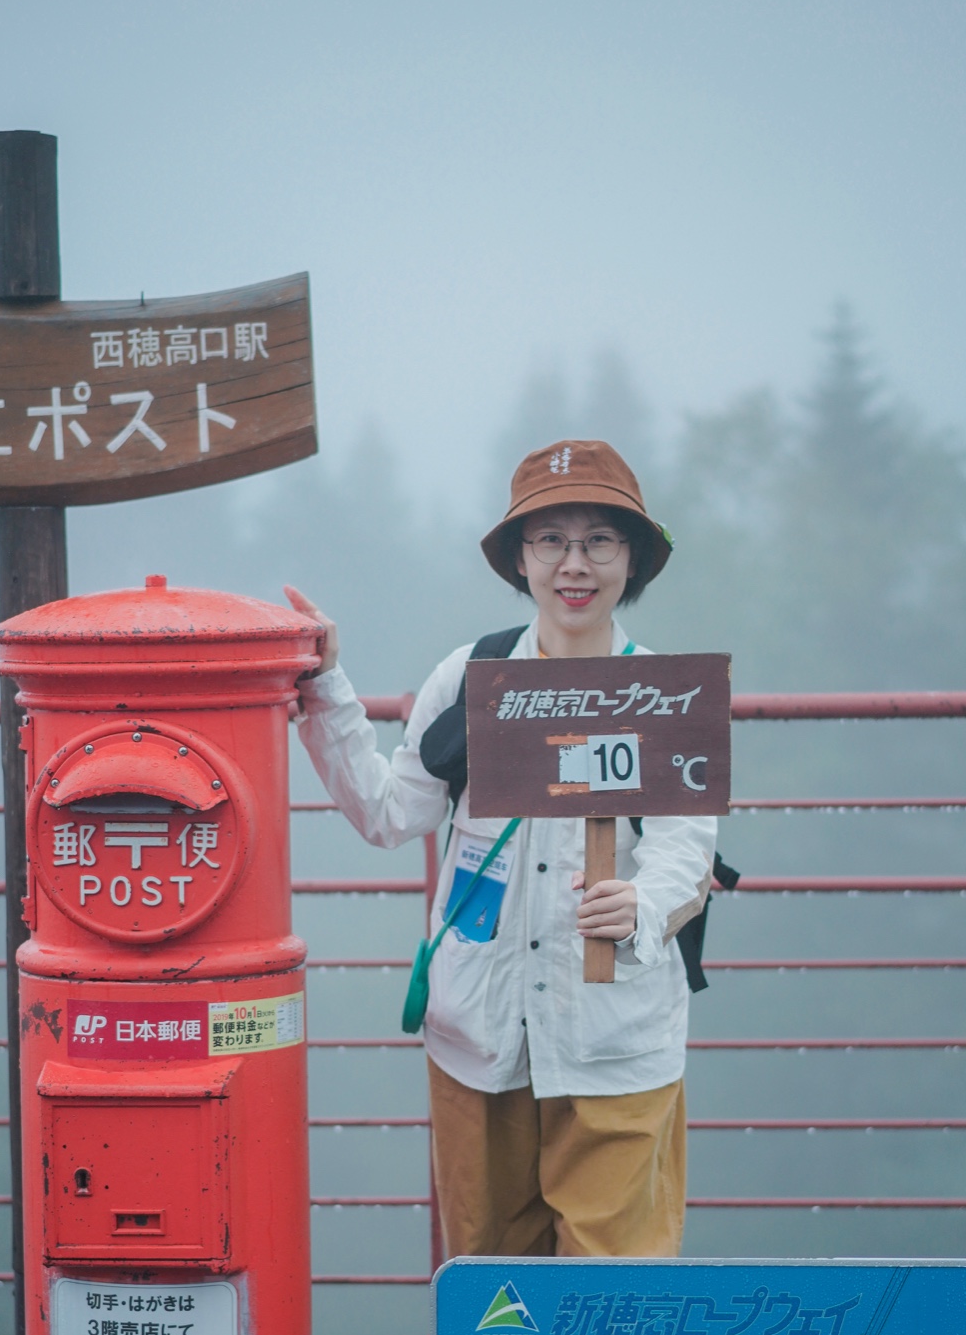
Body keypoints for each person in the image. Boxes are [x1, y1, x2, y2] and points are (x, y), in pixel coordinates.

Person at [286, 440, 717, 1259]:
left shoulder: (667, 694)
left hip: (615, 1039)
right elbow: (390, 812)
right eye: (550, 540)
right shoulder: (470, 676)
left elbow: (685, 852)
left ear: (633, 558)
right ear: (521, 559)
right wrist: (327, 689)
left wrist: (642, 903)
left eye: (599, 539)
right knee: (495, 1292)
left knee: (610, 1284)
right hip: (480, 1036)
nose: (574, 564)